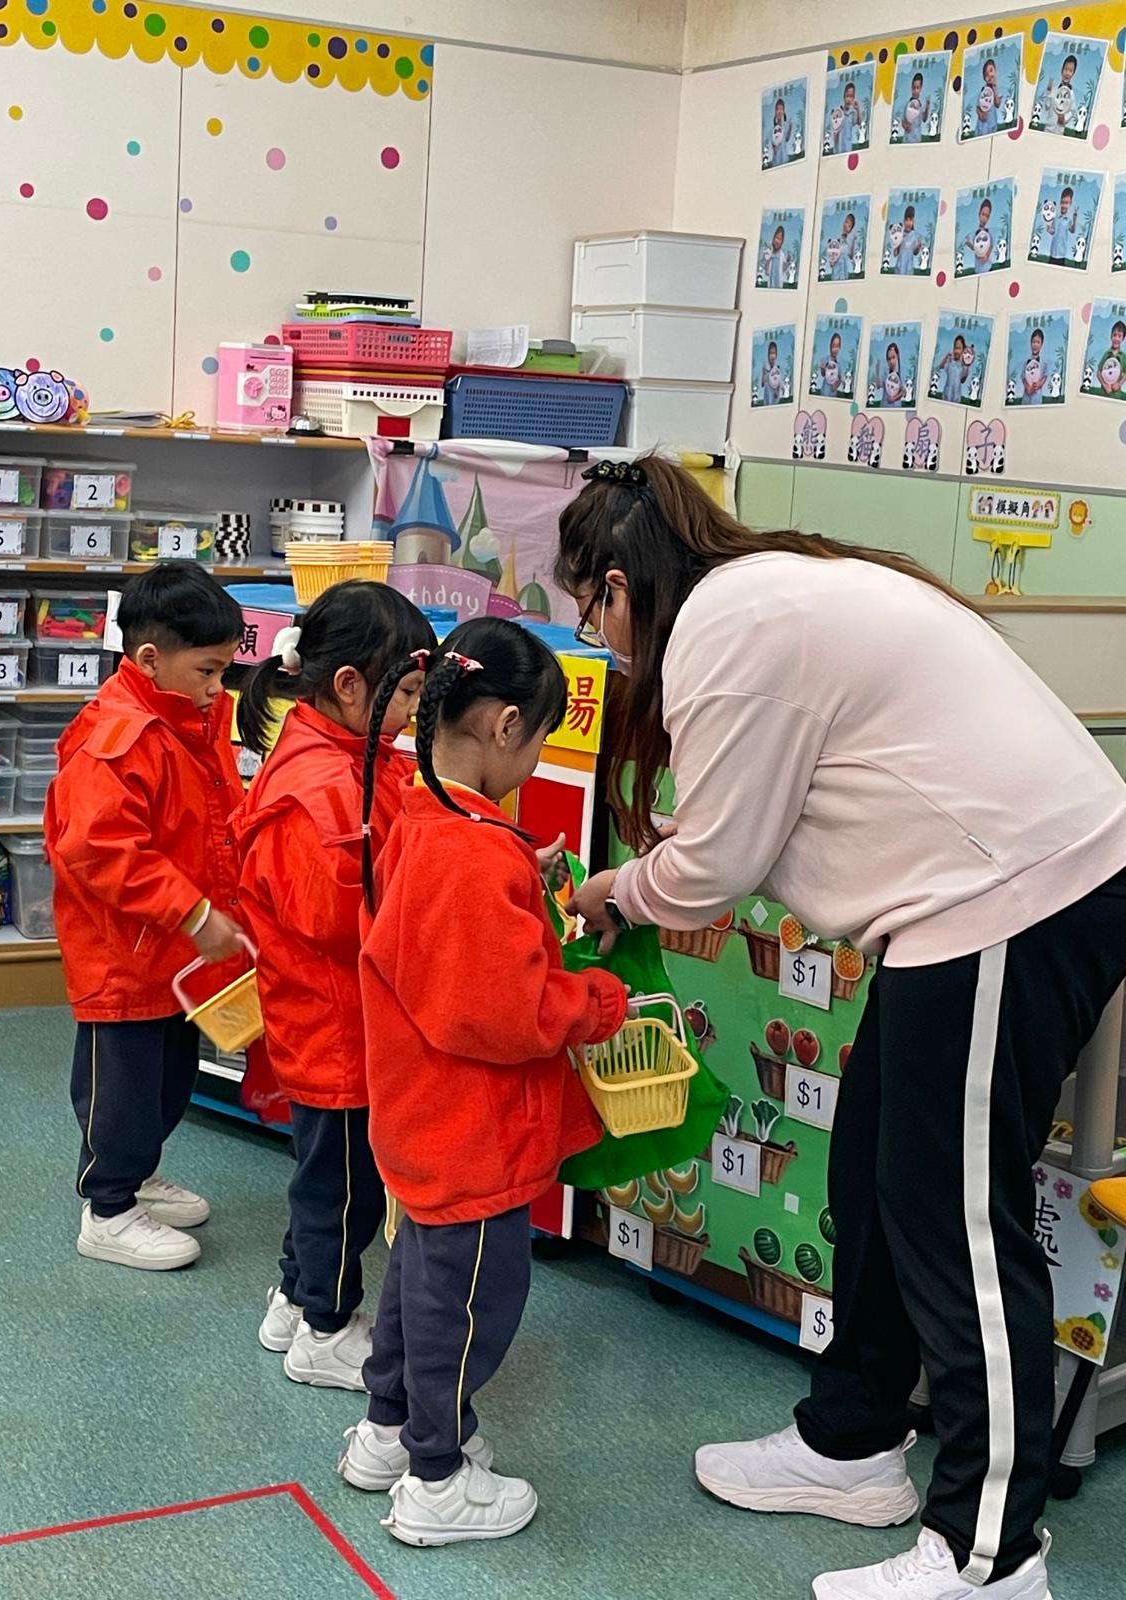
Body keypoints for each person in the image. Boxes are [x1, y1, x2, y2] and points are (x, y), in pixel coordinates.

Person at [559, 455, 1126, 1600]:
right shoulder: (762, 591)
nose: (599, 639)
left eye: (589, 611)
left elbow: (718, 864)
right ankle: (853, 1441)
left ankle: (990, 1556)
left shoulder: (725, 626)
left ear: (619, 583)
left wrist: (614, 892)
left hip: (1011, 900)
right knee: (873, 1178)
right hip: (963, 909)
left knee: (959, 1230)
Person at [340, 619, 628, 1546]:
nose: (535, 759)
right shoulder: (471, 851)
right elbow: (505, 1012)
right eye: (537, 740)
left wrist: (517, 877)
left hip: (420, 1112)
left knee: (417, 1282)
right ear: (505, 726)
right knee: (468, 1305)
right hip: (472, 1126)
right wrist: (594, 1001)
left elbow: (449, 943)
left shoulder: (427, 814)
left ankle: (388, 1429)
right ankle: (437, 1477)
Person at [233, 582, 435, 1389]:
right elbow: (337, 918)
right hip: (336, 1028)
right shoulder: (320, 790)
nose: (413, 713)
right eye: (407, 694)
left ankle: (295, 1297)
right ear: (350, 686)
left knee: (324, 1180)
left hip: (330, 1020)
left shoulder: (337, 756)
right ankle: (326, 1326)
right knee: (344, 1194)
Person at [45, 565, 246, 1271]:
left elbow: (215, 817)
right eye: (208, 670)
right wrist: (192, 910)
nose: (218, 686)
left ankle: (138, 1175)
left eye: (225, 670)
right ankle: (106, 1208)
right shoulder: (118, 737)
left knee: (169, 1081)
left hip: (177, 955)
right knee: (121, 1093)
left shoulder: (191, 720)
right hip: (124, 956)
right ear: (151, 658)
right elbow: (99, 850)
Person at [936, 333, 970, 405]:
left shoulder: (963, 366)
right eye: (955, 348)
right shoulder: (950, 361)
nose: (956, 351)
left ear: (963, 350)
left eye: (959, 348)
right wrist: (946, 357)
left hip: (956, 399)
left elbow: (963, 380)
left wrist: (967, 368)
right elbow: (940, 367)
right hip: (945, 397)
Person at [964, 197, 994, 274]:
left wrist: (987, 256)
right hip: (978, 270)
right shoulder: (975, 234)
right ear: (979, 214)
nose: (984, 218)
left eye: (987, 216)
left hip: (988, 268)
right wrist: (968, 243)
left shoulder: (989, 233)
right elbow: (975, 248)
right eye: (983, 214)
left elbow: (991, 246)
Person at [1049, 185, 1078, 263]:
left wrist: (1075, 219)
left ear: (1070, 203)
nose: (1064, 205)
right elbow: (1052, 231)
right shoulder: (1055, 217)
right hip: (1052, 252)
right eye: (1062, 202)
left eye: (1066, 203)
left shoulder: (1068, 220)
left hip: (1061, 254)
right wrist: (1048, 227)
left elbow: (1072, 230)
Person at [1021, 327, 1049, 405]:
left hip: (1037, 398)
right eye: (1033, 342)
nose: (1035, 345)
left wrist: (1039, 384)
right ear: (1030, 343)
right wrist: (1028, 388)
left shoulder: (1044, 363)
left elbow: (1045, 376)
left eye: (1038, 342)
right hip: (1026, 399)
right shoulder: (1026, 362)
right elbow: (1023, 377)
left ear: (1041, 344)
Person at [900, 72, 930, 143]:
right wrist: (906, 127)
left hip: (918, 140)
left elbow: (924, 119)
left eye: (917, 88)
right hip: (907, 140)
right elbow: (902, 121)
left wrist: (927, 107)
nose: (915, 90)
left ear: (921, 88)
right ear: (911, 87)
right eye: (913, 88)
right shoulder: (907, 104)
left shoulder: (921, 104)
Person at [975, 57, 1001, 135]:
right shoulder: (983, 90)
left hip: (992, 123)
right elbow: (977, 107)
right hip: (983, 124)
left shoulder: (996, 89)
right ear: (984, 78)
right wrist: (980, 114)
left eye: (991, 70)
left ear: (995, 71)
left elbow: (998, 104)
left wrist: (995, 89)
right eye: (986, 74)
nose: (989, 75)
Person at [894, 205, 922, 275]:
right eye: (906, 220)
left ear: (913, 221)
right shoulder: (900, 234)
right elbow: (895, 254)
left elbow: (915, 253)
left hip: (909, 270)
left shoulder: (915, 236)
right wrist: (896, 243)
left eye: (910, 220)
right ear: (903, 221)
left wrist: (918, 247)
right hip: (899, 269)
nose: (908, 223)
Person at [875, 340, 904, 406]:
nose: (891, 361)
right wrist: (877, 372)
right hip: (885, 406)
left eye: (893, 357)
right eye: (889, 359)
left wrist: (894, 399)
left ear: (897, 356)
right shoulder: (885, 373)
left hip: (896, 407)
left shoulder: (900, 373)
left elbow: (903, 391)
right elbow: (879, 386)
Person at [818, 331, 844, 397]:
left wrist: (836, 384)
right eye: (833, 346)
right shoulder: (826, 359)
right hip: (824, 393)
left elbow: (839, 380)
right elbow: (823, 374)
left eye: (837, 346)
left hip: (833, 395)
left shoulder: (839, 365)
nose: (835, 349)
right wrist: (823, 368)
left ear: (840, 347)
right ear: (830, 346)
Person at [764, 224, 788, 289]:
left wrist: (787, 264)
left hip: (779, 286)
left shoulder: (782, 254)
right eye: (777, 238)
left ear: (782, 241)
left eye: (780, 239)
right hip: (770, 285)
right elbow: (766, 271)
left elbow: (783, 270)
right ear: (774, 237)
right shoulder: (768, 251)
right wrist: (770, 253)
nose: (777, 241)